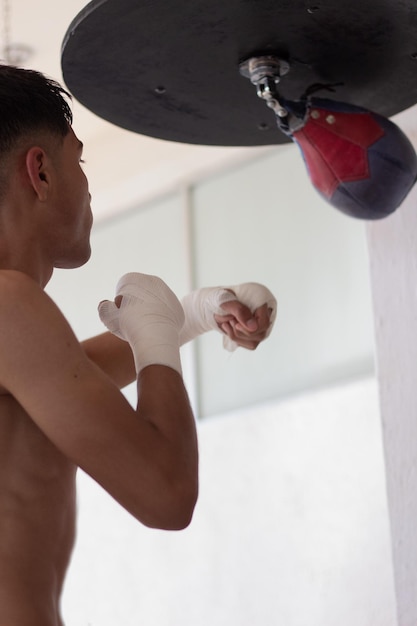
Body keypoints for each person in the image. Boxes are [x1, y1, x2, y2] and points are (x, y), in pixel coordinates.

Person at [0, 64, 276, 626]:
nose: (85, 183)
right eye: (78, 161)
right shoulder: (9, 303)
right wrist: (153, 333)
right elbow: (167, 493)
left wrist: (194, 313)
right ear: (41, 172)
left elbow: (71, 376)